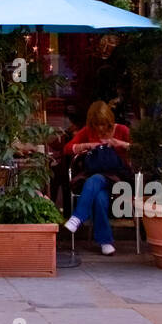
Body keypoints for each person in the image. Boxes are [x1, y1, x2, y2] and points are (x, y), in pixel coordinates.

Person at [62, 101, 133, 255]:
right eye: (96, 125)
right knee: (100, 197)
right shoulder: (88, 131)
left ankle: (78, 217)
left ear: (109, 120)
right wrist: (87, 145)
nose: (100, 128)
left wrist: (121, 144)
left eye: (103, 124)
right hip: (98, 179)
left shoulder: (121, 130)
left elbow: (141, 149)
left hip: (118, 178)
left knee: (94, 180)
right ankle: (105, 242)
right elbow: (68, 149)